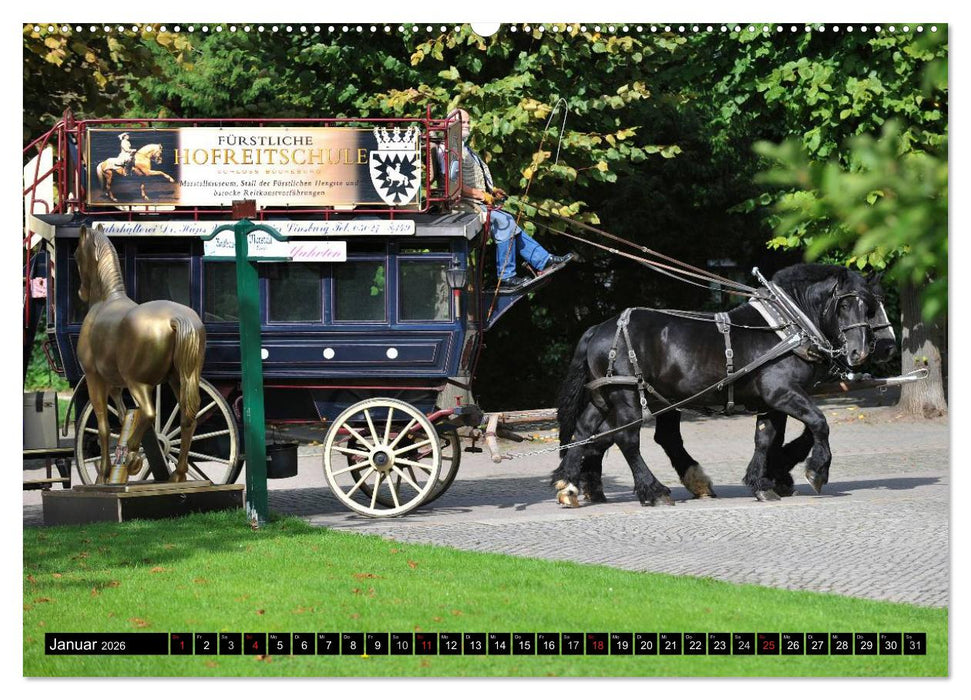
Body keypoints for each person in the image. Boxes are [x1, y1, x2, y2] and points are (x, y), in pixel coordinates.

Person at [454, 109, 572, 290]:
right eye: (463, 122)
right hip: (463, 206)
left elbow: (475, 178)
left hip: (476, 202)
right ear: (451, 125)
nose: (467, 126)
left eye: (468, 122)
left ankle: (544, 260)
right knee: (504, 221)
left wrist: (492, 191)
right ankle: (507, 276)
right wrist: (481, 195)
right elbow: (453, 185)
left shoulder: (466, 149)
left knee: (508, 219)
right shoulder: (451, 151)